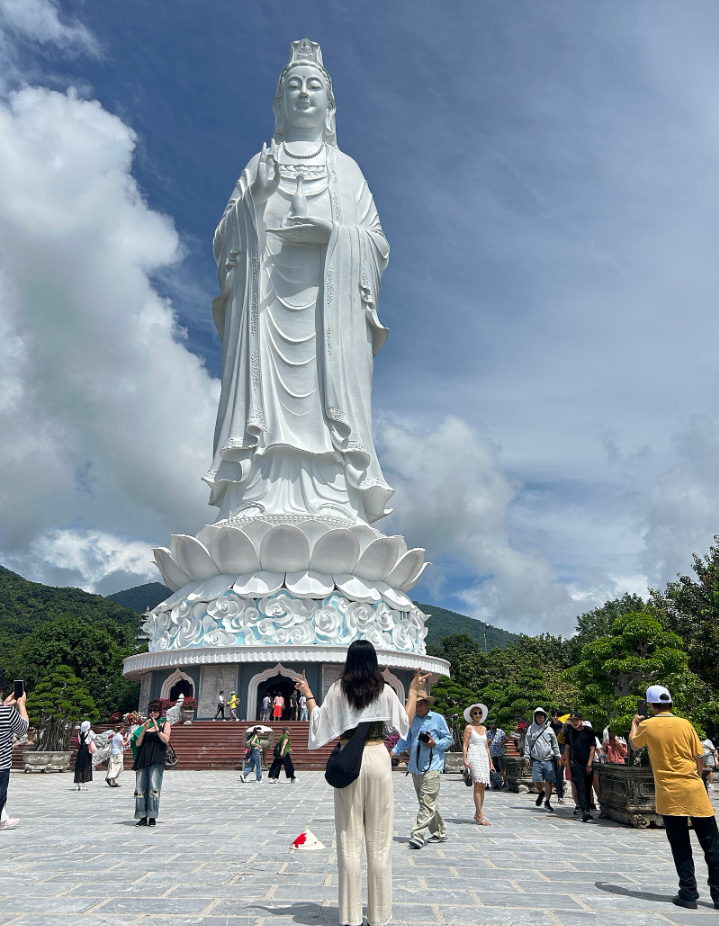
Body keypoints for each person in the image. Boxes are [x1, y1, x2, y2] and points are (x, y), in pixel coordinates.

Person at [298, 639, 422, 926]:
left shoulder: (339, 689)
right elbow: (405, 722)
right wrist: (413, 690)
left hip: (350, 759)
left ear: (350, 660)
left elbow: (318, 724)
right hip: (378, 757)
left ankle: (351, 917)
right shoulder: (385, 690)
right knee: (380, 841)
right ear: (373, 661)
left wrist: (307, 694)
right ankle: (379, 917)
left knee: (349, 838)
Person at [630, 685, 719, 910]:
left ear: (650, 705)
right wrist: (696, 779)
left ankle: (688, 893)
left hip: (669, 793)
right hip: (694, 790)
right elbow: (699, 756)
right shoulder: (685, 724)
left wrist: (634, 724)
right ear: (671, 703)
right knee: (711, 845)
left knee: (681, 845)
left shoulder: (648, 725)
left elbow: (634, 744)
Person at [393, 687, 453, 850]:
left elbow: (448, 739)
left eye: (420, 704)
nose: (417, 707)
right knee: (427, 801)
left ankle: (417, 835)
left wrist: (435, 743)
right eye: (415, 704)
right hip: (415, 767)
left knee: (427, 801)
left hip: (433, 766)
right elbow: (405, 740)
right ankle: (440, 831)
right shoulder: (412, 720)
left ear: (427, 704)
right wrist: (393, 751)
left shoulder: (438, 719)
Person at [131, 700, 171, 826]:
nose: (153, 713)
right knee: (140, 788)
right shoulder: (145, 724)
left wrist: (157, 728)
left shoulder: (164, 723)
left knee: (154, 787)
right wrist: (143, 729)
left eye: (155, 711)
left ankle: (152, 815)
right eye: (151, 711)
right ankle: (141, 815)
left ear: (160, 712)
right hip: (143, 758)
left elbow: (166, 739)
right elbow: (137, 743)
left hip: (156, 758)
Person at [0, 682, 29, 830]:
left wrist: (4, 704)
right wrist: (21, 705)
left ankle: (3, 817)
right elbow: (23, 728)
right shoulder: (7, 713)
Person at [523, 707, 560, 813]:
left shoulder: (549, 729)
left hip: (548, 759)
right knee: (536, 780)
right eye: (538, 716)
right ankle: (541, 792)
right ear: (535, 717)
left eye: (542, 716)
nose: (540, 718)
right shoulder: (531, 729)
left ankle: (547, 801)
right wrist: (527, 757)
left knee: (549, 781)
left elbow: (555, 744)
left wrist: (558, 757)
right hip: (537, 759)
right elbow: (527, 743)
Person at [462, 704, 494, 825]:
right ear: (471, 715)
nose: (477, 715)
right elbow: (465, 745)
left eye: (479, 713)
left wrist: (490, 762)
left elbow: (486, 747)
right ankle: (480, 814)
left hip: (483, 756)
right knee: (477, 784)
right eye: (475, 713)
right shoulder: (468, 728)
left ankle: (478, 812)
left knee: (483, 785)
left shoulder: (484, 729)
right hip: (474, 755)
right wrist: (464, 760)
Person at [564, 712, 596, 822]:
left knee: (588, 787)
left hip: (587, 763)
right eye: (572, 720)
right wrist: (568, 764)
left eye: (576, 720)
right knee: (580, 787)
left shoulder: (589, 732)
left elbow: (592, 749)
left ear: (581, 720)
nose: (574, 722)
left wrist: (589, 764)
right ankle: (585, 811)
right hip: (575, 764)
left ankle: (587, 807)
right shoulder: (570, 732)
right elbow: (567, 749)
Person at [549, 710, 566, 803]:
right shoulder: (548, 727)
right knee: (553, 775)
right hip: (550, 754)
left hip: (561, 753)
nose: (556, 717)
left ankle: (560, 794)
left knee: (559, 774)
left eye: (557, 716)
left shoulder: (564, 727)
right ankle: (558, 788)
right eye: (554, 715)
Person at [74, 720, 95, 791]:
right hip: (87, 750)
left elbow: (79, 741)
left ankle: (77, 784)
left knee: (79, 767)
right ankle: (83, 784)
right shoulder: (90, 732)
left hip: (80, 750)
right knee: (86, 766)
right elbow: (94, 738)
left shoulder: (79, 733)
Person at [106, 723, 127, 788]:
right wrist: (127, 740)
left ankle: (113, 781)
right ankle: (110, 777)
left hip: (113, 752)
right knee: (118, 767)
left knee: (114, 766)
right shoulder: (119, 736)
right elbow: (122, 744)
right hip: (118, 753)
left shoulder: (114, 735)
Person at [488, 721, 508, 787]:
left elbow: (506, 739)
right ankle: (497, 782)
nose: (493, 729)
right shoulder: (488, 733)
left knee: (502, 767)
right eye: (492, 727)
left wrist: (503, 742)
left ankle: (505, 781)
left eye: (494, 727)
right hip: (493, 753)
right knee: (495, 768)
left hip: (500, 752)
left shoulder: (500, 732)